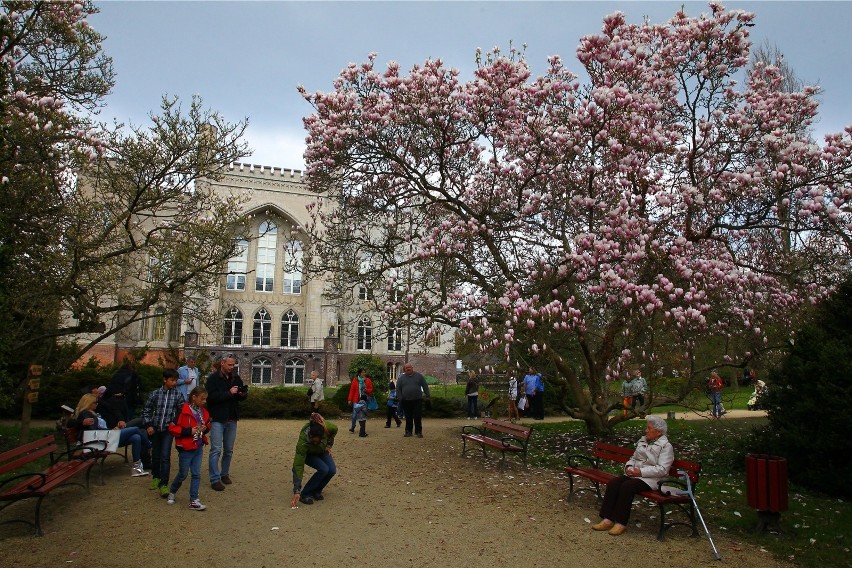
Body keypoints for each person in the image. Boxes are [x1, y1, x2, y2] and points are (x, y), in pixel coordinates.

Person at [591, 415, 674, 536]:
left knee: (627, 487)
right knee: (614, 483)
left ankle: (620, 523)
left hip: (653, 480)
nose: (646, 430)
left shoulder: (666, 447)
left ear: (658, 432)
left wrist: (640, 472)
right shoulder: (643, 441)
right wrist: (629, 467)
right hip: (636, 475)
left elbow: (663, 469)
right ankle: (607, 519)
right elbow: (633, 458)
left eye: (649, 428)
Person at [69, 393, 152, 477]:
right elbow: (92, 430)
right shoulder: (85, 413)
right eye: (95, 403)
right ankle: (149, 446)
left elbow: (95, 429)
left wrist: (110, 430)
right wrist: (83, 422)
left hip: (101, 438)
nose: (96, 405)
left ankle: (136, 468)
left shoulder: (89, 413)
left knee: (136, 437)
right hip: (98, 441)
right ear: (88, 403)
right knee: (135, 429)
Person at [206, 353, 248, 491]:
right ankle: (214, 478)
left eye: (233, 364)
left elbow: (240, 398)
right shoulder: (213, 379)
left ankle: (224, 473)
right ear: (222, 363)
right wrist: (229, 393)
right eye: (229, 364)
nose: (232, 367)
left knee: (229, 450)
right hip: (218, 418)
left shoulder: (236, 378)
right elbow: (211, 398)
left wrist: (242, 395)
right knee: (216, 450)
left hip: (232, 418)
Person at [167, 386, 211, 511]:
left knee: (196, 474)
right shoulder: (182, 411)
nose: (204, 402)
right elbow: (172, 428)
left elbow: (208, 424)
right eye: (202, 399)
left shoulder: (203, 411)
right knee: (183, 474)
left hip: (198, 446)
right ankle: (173, 491)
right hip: (186, 448)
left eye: (205, 399)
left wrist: (205, 429)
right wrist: (188, 431)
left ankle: (194, 500)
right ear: (194, 397)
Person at [142, 368, 184, 497]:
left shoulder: (177, 395)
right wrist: (148, 424)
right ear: (164, 380)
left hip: (168, 430)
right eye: (172, 380)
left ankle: (164, 483)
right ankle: (156, 476)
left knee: (165, 456)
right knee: (156, 455)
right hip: (155, 428)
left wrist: (175, 422)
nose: (174, 383)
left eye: (175, 380)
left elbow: (182, 411)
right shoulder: (155, 394)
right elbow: (146, 410)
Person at [291, 413, 338, 506]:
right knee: (323, 469)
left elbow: (334, 431)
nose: (315, 442)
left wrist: (329, 445)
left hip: (322, 449)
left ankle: (316, 490)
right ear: (310, 436)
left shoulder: (328, 428)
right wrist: (297, 490)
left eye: (317, 441)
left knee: (332, 470)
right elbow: (298, 465)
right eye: (313, 441)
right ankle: (305, 494)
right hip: (309, 454)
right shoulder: (302, 444)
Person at [396, 363, 430, 438]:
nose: (408, 369)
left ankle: (418, 432)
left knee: (417, 416)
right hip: (406, 400)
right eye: (406, 368)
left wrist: (427, 395)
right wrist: (400, 397)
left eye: (409, 367)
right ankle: (408, 431)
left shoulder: (419, 376)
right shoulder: (401, 378)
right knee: (408, 417)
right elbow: (398, 388)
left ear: (412, 368)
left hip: (417, 399)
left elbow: (425, 385)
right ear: (404, 369)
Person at [347, 368, 373, 433]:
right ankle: (353, 427)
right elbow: (352, 390)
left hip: (364, 400)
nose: (364, 374)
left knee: (363, 415)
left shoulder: (368, 380)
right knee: (354, 414)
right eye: (363, 372)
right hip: (356, 400)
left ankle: (362, 429)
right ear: (359, 373)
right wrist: (350, 399)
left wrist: (367, 390)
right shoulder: (355, 380)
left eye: (364, 372)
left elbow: (371, 389)